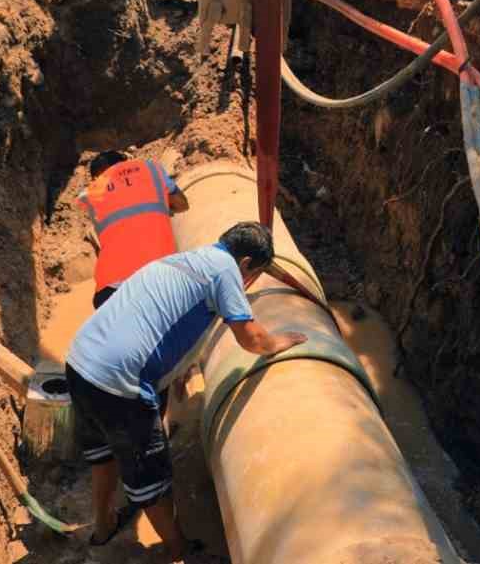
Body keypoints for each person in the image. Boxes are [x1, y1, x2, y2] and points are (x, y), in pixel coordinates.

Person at [65, 222, 306, 560]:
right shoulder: (226, 271)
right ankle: (179, 550)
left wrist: (178, 370)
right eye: (253, 275)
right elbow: (251, 339)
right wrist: (282, 340)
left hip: (80, 363)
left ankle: (104, 527)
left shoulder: (183, 260)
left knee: (103, 452)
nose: (248, 283)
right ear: (247, 263)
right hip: (118, 385)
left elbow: (163, 319)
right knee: (153, 479)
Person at [75, 150, 189, 310]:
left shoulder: (90, 193)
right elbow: (182, 204)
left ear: (96, 177)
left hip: (112, 290)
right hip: (160, 277)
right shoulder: (151, 169)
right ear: (125, 162)